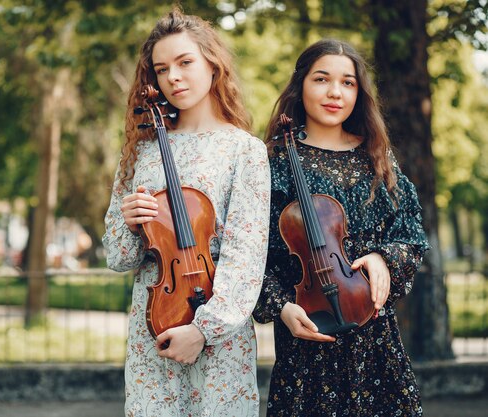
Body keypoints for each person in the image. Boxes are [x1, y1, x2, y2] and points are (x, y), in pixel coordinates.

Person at [102, 8, 270, 417]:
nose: (173, 77)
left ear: (213, 65)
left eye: (185, 62)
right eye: (161, 69)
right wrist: (128, 224)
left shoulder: (243, 150)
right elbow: (118, 258)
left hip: (219, 333)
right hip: (153, 325)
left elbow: (245, 257)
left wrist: (203, 330)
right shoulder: (142, 152)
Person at [253, 39, 430, 417]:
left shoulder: (376, 155)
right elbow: (251, 253)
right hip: (307, 334)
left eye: (348, 83)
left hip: (376, 336)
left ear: (359, 92)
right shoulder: (272, 160)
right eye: (322, 79)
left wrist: (384, 259)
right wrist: (281, 308)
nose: (335, 92)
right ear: (300, 85)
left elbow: (410, 228)